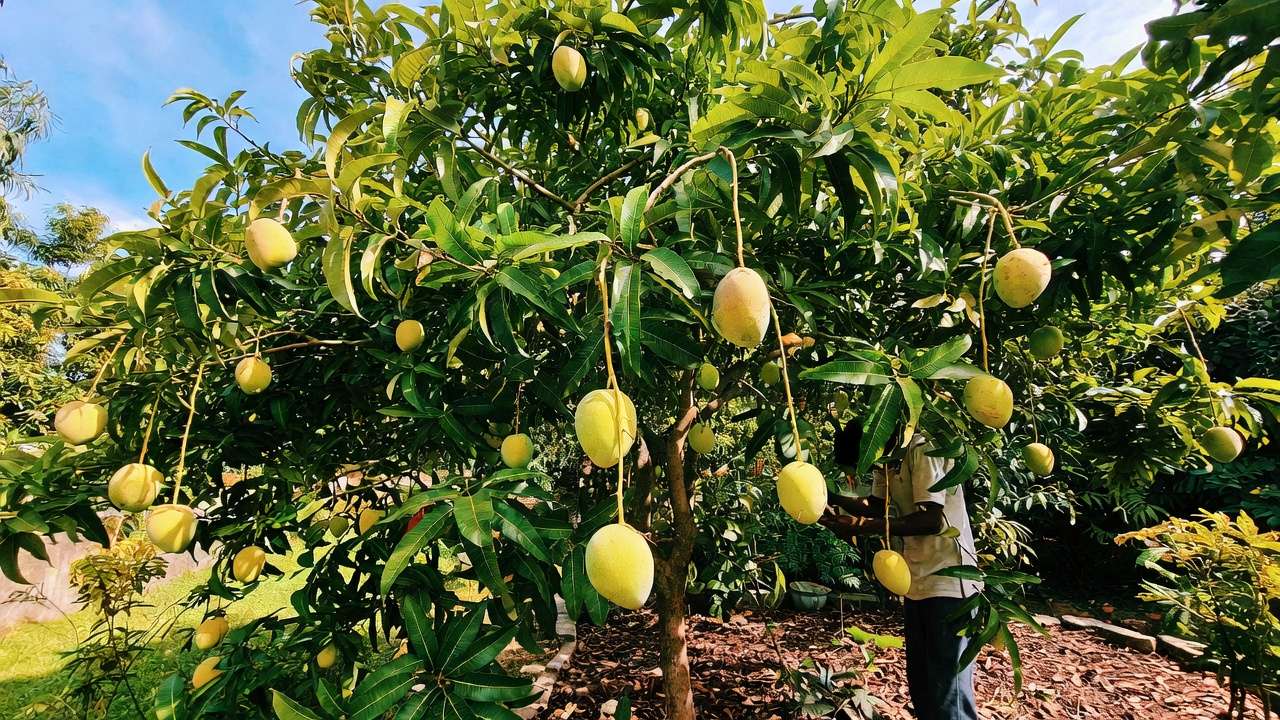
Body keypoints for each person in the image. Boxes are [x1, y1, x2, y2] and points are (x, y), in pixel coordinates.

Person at [819, 422, 981, 720]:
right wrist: (828, 499)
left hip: (950, 582)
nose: (868, 470)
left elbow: (931, 520)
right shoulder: (887, 460)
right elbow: (876, 506)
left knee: (948, 690)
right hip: (917, 583)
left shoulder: (922, 449)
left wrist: (860, 527)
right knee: (923, 683)